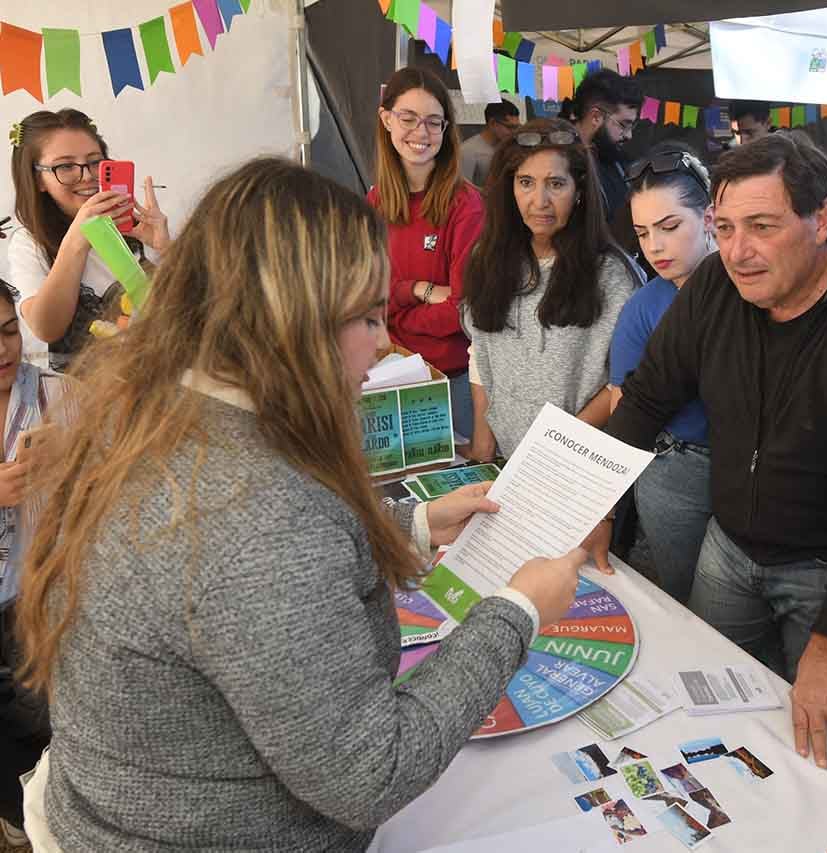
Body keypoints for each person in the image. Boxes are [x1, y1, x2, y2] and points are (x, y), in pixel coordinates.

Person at [14, 158, 583, 852]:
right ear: (286, 320)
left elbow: (214, 600)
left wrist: (410, 524)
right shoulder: (252, 516)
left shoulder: (158, 407)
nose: (380, 344)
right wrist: (517, 611)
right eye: (367, 317)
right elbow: (370, 769)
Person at [591, 131, 827, 770]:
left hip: (825, 566)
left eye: (762, 226)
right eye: (724, 228)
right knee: (708, 717)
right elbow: (647, 396)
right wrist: (598, 504)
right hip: (730, 544)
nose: (737, 252)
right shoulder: (717, 282)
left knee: (811, 739)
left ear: (820, 218)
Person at [462, 119, 639, 461]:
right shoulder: (486, 258)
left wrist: (562, 446)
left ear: (579, 191)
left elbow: (628, 378)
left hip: (574, 467)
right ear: (509, 187)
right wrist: (483, 444)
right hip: (505, 458)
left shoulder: (612, 276)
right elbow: (480, 351)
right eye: (526, 182)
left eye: (556, 183)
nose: (539, 200)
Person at [608, 142, 716, 603]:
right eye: (642, 232)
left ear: (710, 218)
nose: (654, 246)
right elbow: (622, 409)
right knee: (689, 602)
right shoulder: (643, 308)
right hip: (673, 470)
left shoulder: (755, 286)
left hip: (760, 470)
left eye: (670, 227)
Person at [7, 109, 169, 372]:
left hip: (158, 386)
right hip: (89, 401)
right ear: (38, 180)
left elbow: (191, 312)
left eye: (96, 162)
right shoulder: (30, 243)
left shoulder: (140, 229)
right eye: (66, 166)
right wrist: (78, 238)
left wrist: (165, 249)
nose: (87, 176)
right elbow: (46, 328)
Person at [369, 67, 484, 439]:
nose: (421, 132)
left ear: (446, 130)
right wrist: (417, 289)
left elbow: (461, 310)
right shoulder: (375, 201)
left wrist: (393, 321)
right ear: (386, 119)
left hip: (448, 382)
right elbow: (367, 294)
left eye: (434, 122)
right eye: (409, 118)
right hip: (383, 374)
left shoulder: (466, 206)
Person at [0, 280, 64, 849]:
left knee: (40, 713)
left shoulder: (59, 394)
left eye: (6, 331)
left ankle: (38, 809)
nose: (2, 349)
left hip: (36, 591)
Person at [559, 69, 643, 226]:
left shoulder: (620, 163)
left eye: (632, 126)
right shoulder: (558, 163)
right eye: (623, 125)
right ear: (596, 117)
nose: (628, 135)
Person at [458, 99, 520, 189]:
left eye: (517, 127)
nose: (514, 132)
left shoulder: (511, 147)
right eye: (510, 127)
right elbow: (463, 192)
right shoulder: (467, 151)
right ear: (493, 123)